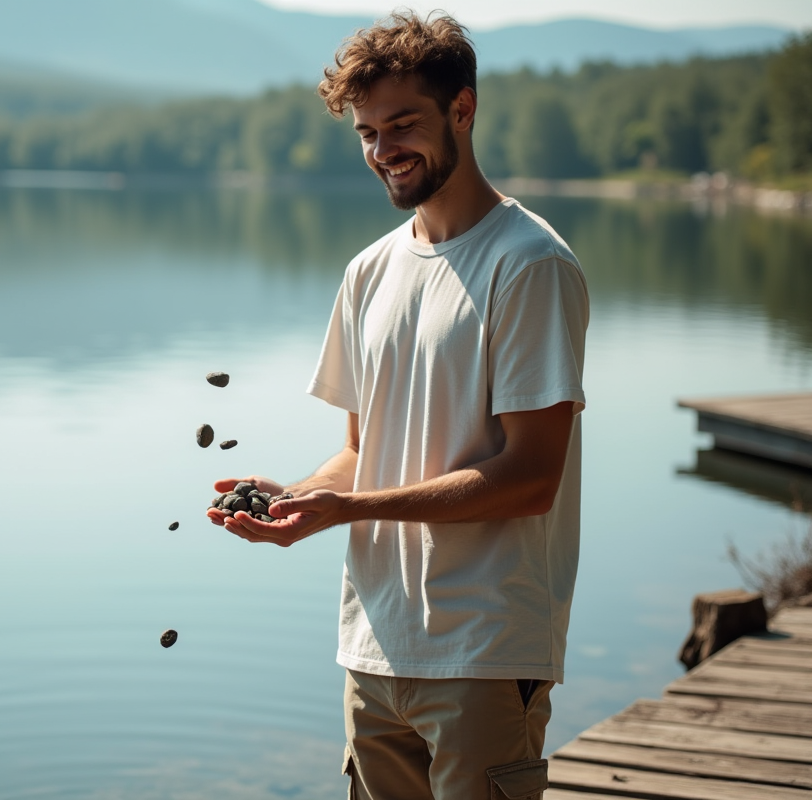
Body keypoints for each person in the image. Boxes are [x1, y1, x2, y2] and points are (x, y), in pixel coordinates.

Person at [206, 11, 589, 800]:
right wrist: (303, 499)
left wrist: (349, 508)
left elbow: (530, 478)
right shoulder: (368, 273)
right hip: (373, 649)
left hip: (484, 653)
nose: (384, 151)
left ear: (463, 110)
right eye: (367, 133)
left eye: (403, 124)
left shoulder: (530, 266)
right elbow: (362, 451)